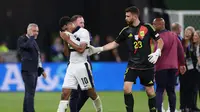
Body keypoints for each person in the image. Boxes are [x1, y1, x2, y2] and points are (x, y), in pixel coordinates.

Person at [88, 6, 164, 112]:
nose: (126, 18)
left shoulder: (147, 27)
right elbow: (114, 43)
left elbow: (160, 41)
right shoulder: (126, 30)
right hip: (132, 65)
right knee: (126, 89)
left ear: (135, 16)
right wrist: (99, 49)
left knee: (150, 91)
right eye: (125, 16)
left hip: (147, 65)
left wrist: (158, 52)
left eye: (128, 16)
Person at [57, 16, 103, 112]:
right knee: (65, 93)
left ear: (68, 25)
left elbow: (81, 49)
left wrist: (68, 39)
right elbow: (66, 54)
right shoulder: (67, 34)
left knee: (91, 93)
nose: (65, 31)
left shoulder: (83, 32)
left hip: (82, 66)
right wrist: (65, 41)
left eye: (65, 29)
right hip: (71, 66)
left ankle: (99, 110)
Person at [152, 18, 186, 112]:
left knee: (159, 90)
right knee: (171, 91)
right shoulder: (174, 35)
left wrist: (153, 69)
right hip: (173, 67)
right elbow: (181, 51)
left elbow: (156, 54)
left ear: (161, 25)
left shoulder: (158, 38)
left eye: (154, 24)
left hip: (161, 67)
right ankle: (172, 110)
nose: (153, 26)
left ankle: (159, 110)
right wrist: (182, 64)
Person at [17, 23, 46, 112]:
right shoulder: (22, 39)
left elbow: (37, 57)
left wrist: (41, 70)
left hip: (34, 71)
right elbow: (26, 46)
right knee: (30, 93)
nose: (36, 33)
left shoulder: (33, 41)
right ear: (28, 31)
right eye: (34, 31)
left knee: (29, 93)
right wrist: (32, 37)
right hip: (27, 70)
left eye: (37, 31)